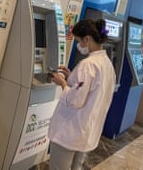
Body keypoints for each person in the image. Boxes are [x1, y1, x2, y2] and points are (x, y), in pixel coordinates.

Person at [48, 19, 116, 170]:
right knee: (76, 167)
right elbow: (91, 90)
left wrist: (62, 83)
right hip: (86, 131)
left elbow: (75, 100)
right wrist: (71, 75)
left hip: (70, 131)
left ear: (87, 39)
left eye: (79, 41)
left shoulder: (88, 64)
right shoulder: (106, 64)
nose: (79, 46)